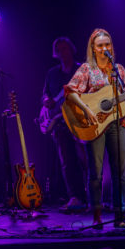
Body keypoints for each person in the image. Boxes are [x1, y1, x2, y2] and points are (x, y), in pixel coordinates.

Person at [64, 28, 125, 228]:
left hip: (117, 123)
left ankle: (120, 216)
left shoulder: (119, 70)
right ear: (93, 48)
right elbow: (70, 91)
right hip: (94, 124)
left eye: (107, 44)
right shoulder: (86, 69)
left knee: (120, 172)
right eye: (100, 45)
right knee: (96, 173)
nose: (104, 48)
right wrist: (86, 109)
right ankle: (97, 215)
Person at [40, 37, 87, 212]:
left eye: (65, 48)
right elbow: (45, 94)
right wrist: (46, 100)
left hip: (79, 120)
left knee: (85, 160)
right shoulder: (52, 73)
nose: (62, 52)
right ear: (56, 53)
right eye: (59, 49)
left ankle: (91, 196)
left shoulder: (81, 70)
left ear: (71, 49)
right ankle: (74, 197)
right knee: (67, 162)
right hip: (59, 122)